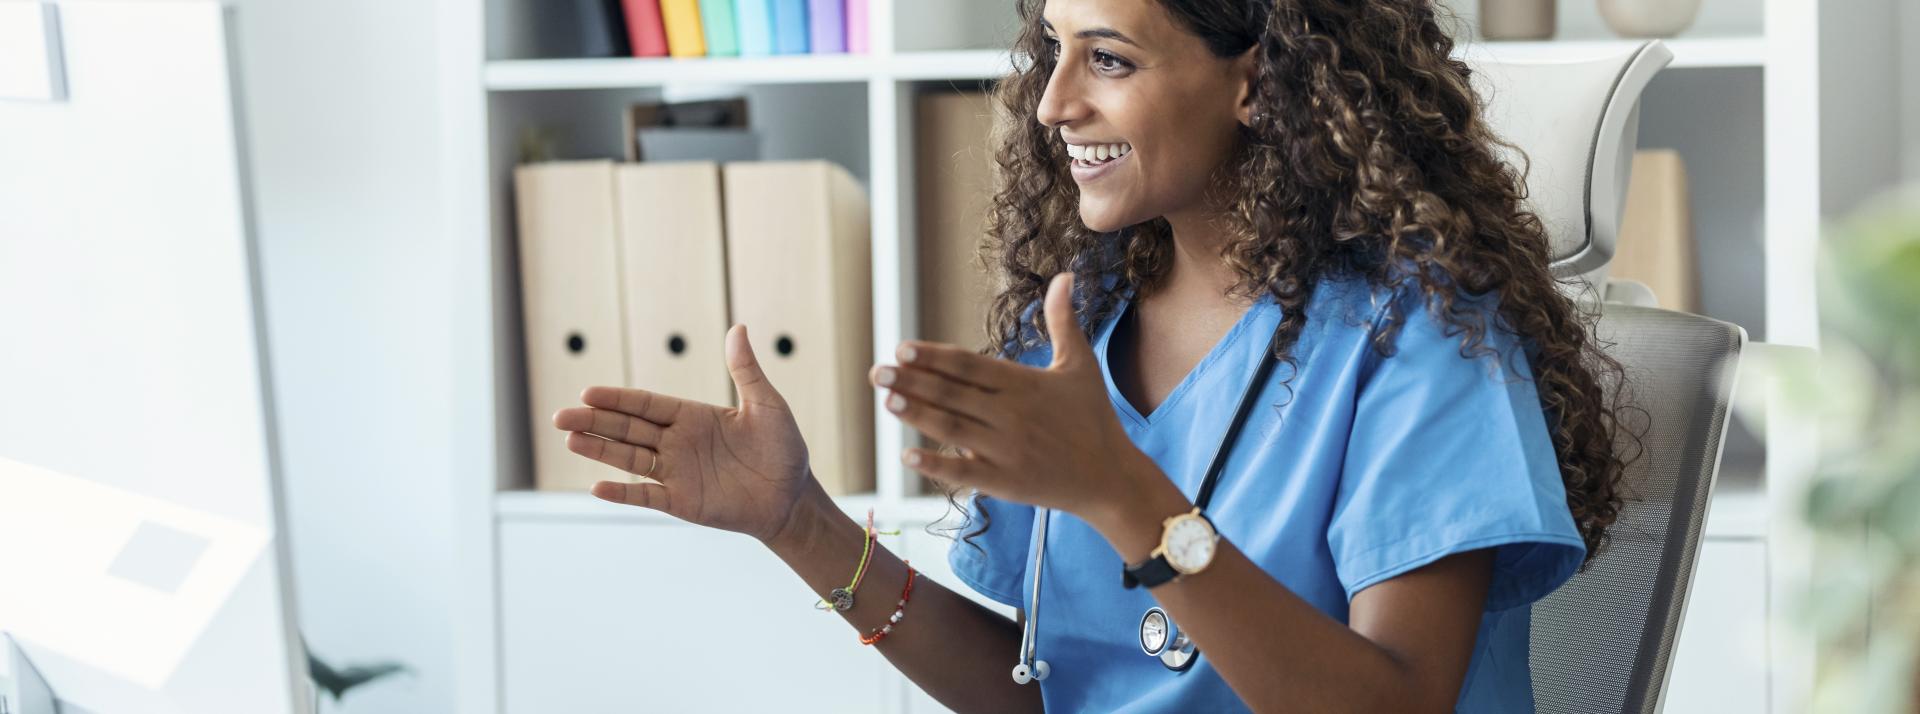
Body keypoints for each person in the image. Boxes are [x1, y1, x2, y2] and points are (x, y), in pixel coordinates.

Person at [551, 0, 1632, 710]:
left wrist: (1124, 494)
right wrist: (802, 525)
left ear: (1259, 81)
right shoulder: (1084, 316)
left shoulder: (1421, 335)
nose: (1055, 102)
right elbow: (1050, 693)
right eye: (1054, 49)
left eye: (1107, 58)